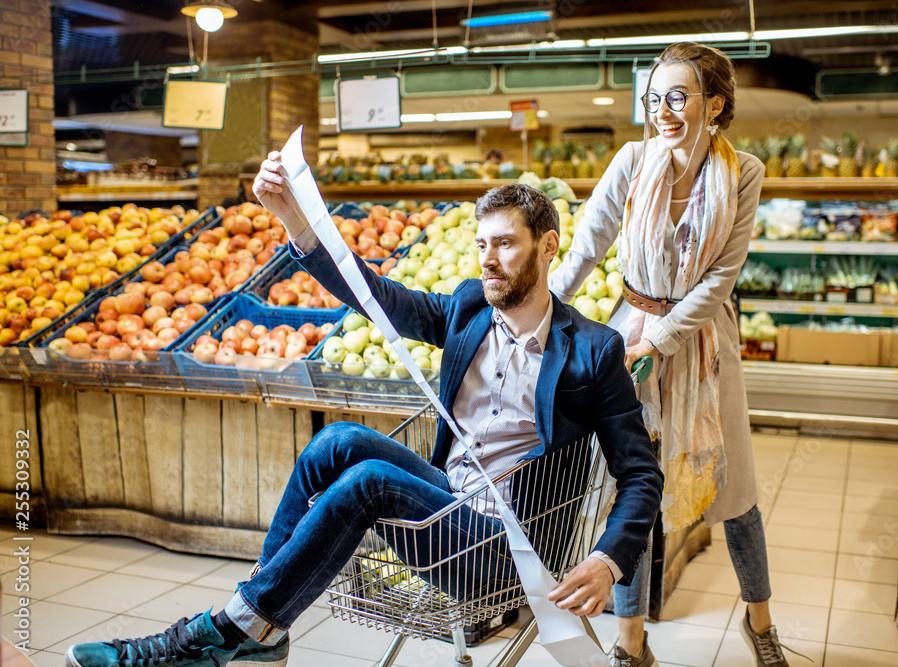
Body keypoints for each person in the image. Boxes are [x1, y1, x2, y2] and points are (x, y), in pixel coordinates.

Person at [65, 180, 664, 667]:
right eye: (482, 244)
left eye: (505, 244)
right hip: (446, 501)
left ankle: (234, 627)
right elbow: (373, 293)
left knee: (370, 480)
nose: (488, 259)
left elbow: (640, 474)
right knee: (338, 441)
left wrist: (608, 559)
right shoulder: (469, 309)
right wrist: (295, 221)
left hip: (510, 546)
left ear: (549, 245)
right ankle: (259, 621)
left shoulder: (592, 349)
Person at [548, 43, 791, 667]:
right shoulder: (632, 160)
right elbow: (586, 246)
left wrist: (658, 340)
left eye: (678, 97)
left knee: (734, 489)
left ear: (715, 104)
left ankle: (760, 626)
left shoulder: (744, 173)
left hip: (706, 341)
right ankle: (632, 642)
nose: (663, 110)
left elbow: (718, 282)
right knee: (633, 482)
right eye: (655, 98)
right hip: (629, 330)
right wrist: (541, 310)